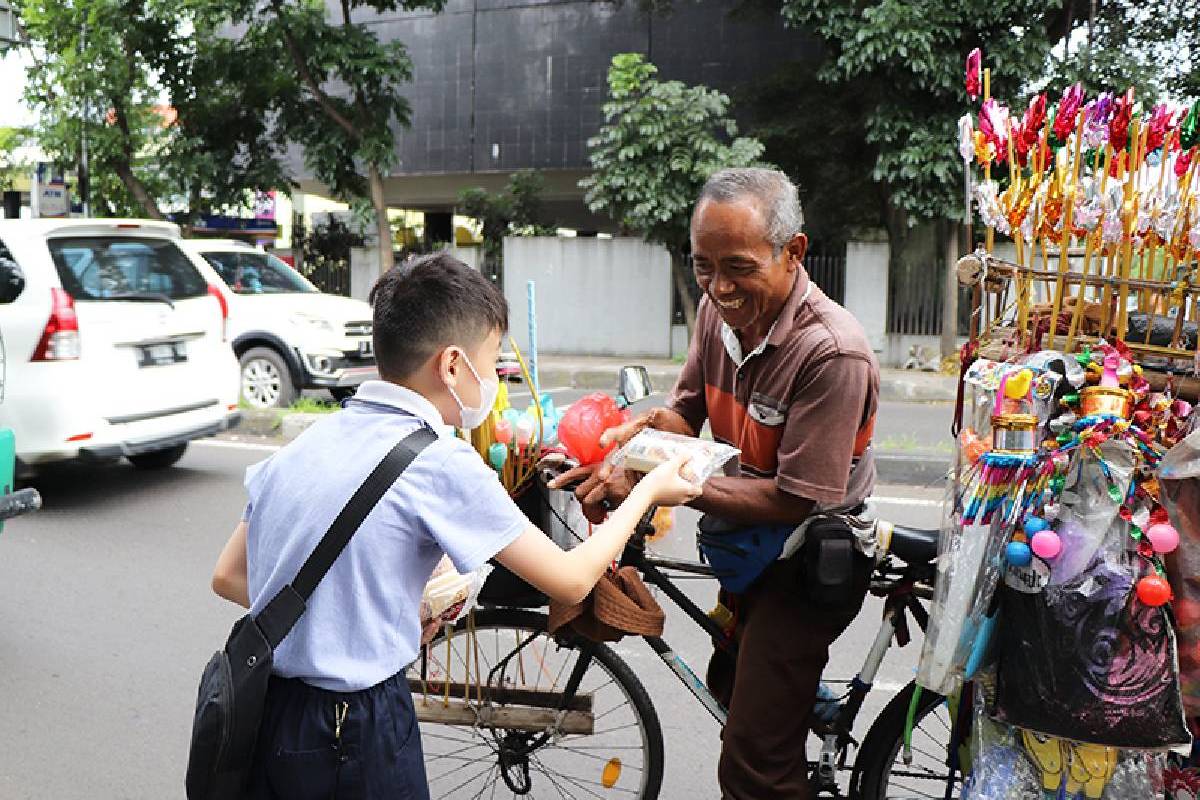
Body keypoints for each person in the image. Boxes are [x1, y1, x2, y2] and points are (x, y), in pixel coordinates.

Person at [209, 252, 700, 800]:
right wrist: (650, 490)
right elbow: (570, 579)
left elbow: (230, 575)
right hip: (356, 726)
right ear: (452, 366)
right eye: (491, 363)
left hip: (271, 715)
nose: (493, 380)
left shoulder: (306, 443)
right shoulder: (438, 461)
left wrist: (358, 613)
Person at [554, 167, 880, 799]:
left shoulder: (832, 352)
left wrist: (657, 487)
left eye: (737, 266)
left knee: (752, 766)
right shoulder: (716, 311)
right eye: (704, 265)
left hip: (811, 556)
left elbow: (796, 496)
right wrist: (634, 446)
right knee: (735, 691)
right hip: (748, 541)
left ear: (794, 252)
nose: (719, 286)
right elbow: (686, 411)